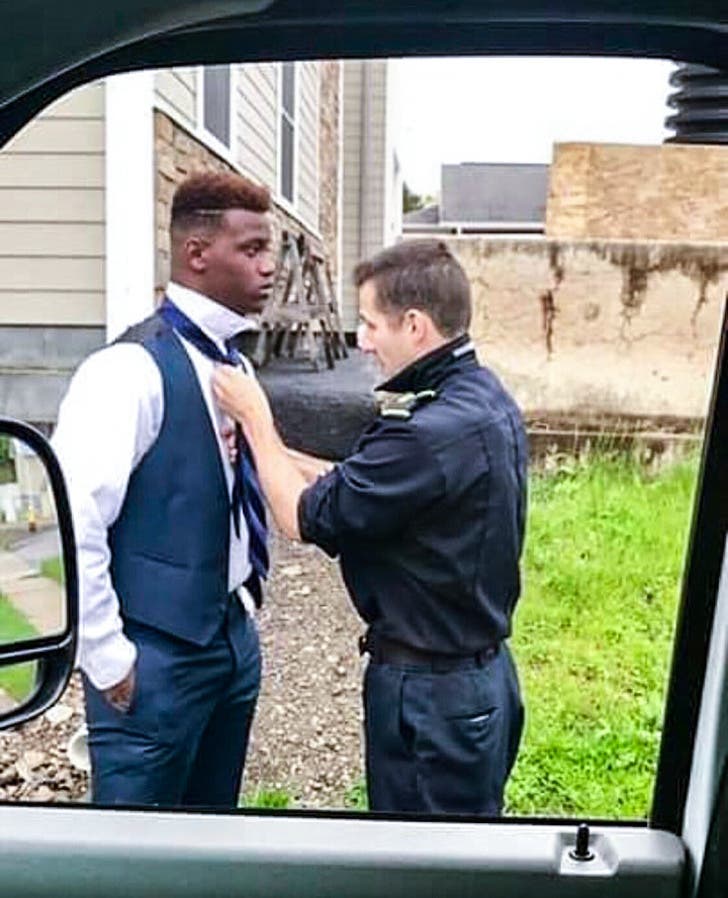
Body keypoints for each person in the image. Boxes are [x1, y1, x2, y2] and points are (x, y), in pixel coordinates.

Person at [213, 239, 528, 816]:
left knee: (425, 874)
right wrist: (275, 455)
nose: (361, 340)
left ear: (414, 325)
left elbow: (301, 517)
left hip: (435, 697)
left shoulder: (427, 433)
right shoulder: (478, 400)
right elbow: (357, 483)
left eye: (368, 322)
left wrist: (255, 418)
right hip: (470, 685)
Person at [52, 171, 276, 807]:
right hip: (153, 655)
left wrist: (243, 621)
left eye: (271, 252)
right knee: (132, 859)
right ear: (197, 254)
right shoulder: (125, 371)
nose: (270, 269)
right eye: (252, 250)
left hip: (231, 636)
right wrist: (107, 656)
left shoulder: (236, 364)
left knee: (211, 840)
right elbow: (73, 522)